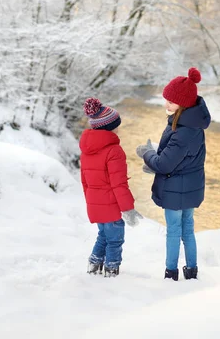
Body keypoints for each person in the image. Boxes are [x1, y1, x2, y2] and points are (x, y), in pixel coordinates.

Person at [136, 67, 211, 281]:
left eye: (170, 101)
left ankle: (171, 274)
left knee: (174, 232)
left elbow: (165, 164)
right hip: (190, 187)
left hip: (176, 190)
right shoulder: (193, 124)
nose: (165, 105)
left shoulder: (183, 131)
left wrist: (147, 153)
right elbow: (180, 158)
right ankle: (192, 270)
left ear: (183, 104)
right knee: (188, 229)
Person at [80, 97, 143, 277]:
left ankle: (93, 265)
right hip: (111, 205)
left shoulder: (86, 150)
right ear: (109, 127)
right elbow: (119, 183)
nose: (118, 128)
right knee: (115, 240)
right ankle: (111, 270)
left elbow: (85, 182)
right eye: (117, 125)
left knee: (103, 236)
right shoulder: (114, 150)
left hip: (95, 203)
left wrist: (91, 202)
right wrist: (128, 209)